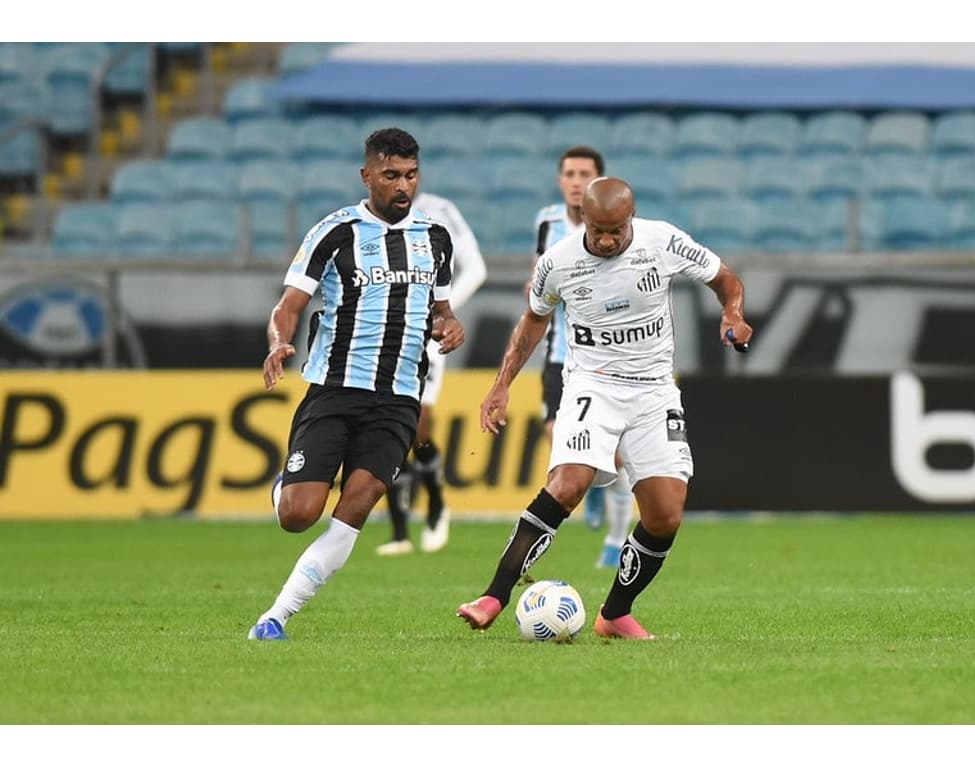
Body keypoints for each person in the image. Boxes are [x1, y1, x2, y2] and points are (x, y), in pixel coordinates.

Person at [458, 176, 751, 640]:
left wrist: (732, 313)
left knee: (665, 515)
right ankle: (494, 594)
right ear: (584, 221)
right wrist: (501, 385)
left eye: (617, 230)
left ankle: (614, 613)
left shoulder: (663, 241)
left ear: (630, 218)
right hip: (592, 385)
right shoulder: (558, 263)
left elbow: (725, 279)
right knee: (568, 483)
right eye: (599, 231)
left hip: (655, 392)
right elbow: (533, 321)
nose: (609, 240)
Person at [248, 127, 465, 641]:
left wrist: (450, 325)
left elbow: (441, 310)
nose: (402, 186)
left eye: (411, 175)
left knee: (360, 499)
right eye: (391, 175)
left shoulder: (436, 239)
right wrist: (279, 341)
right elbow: (288, 308)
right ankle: (287, 488)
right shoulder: (335, 233)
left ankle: (276, 616)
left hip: (398, 399)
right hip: (335, 391)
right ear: (367, 176)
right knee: (299, 516)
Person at [532, 146, 634, 569]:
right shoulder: (548, 222)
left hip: (611, 359)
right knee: (562, 439)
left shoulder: (621, 229)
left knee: (614, 456)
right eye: (569, 173)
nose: (576, 180)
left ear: (598, 182)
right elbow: (539, 276)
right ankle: (592, 488)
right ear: (560, 180)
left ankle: (615, 538)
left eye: (584, 173)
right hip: (560, 356)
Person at [376, 190, 488, 556]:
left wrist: (444, 309)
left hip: (426, 338)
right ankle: (398, 532)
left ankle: (438, 506)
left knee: (419, 428)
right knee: (387, 428)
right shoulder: (367, 220)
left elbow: (476, 268)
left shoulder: (439, 211)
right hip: (383, 337)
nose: (400, 182)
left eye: (407, 171)